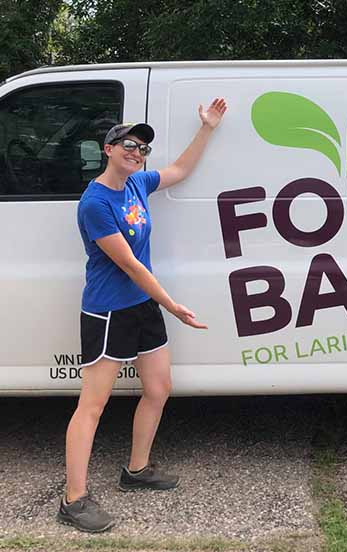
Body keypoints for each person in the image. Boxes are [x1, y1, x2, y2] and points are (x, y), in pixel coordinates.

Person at [57, 98, 228, 532]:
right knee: (92, 406)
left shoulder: (137, 184)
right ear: (107, 148)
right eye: (127, 144)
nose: (136, 152)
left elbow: (181, 171)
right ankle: (73, 500)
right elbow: (131, 265)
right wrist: (173, 305)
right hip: (109, 310)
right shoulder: (95, 203)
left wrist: (206, 128)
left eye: (142, 148)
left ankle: (136, 470)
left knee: (158, 387)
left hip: (141, 305)